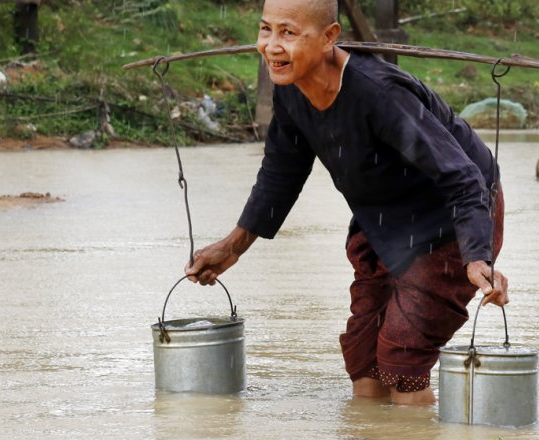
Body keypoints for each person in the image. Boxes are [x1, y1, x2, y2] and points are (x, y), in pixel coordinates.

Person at [184, 0, 510, 406]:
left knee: (402, 359)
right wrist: (232, 247)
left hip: (449, 219)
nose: (271, 46)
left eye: (288, 32)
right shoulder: (290, 89)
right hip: (384, 216)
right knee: (364, 356)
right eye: (265, 29)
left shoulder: (380, 94)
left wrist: (477, 256)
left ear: (329, 38)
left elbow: (463, 178)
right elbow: (280, 176)